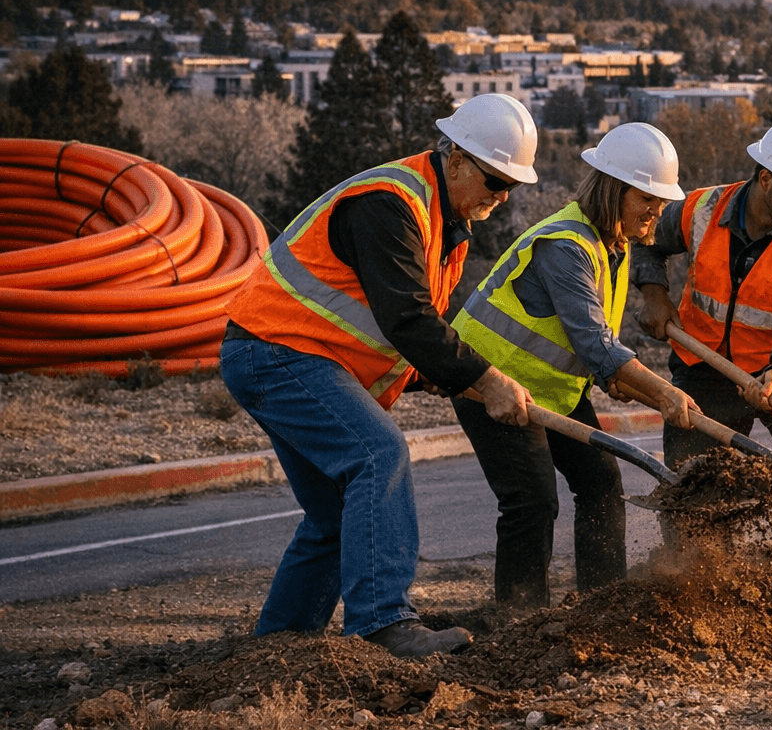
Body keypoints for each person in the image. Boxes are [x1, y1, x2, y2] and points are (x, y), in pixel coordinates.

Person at [220, 94, 538, 658]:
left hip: (295, 355)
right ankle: (382, 622)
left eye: (511, 186)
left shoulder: (443, 224)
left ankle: (279, 648)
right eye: (495, 180)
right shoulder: (390, 203)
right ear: (457, 159)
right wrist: (486, 380)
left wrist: (438, 376)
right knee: (378, 455)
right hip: (276, 351)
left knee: (335, 516)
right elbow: (407, 319)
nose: (501, 196)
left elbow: (386, 328)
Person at [449, 122, 697, 612]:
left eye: (661, 201)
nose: (657, 211)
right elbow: (597, 346)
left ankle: (603, 606)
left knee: (601, 481)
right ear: (614, 189)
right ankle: (520, 618)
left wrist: (634, 386)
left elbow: (598, 352)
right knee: (532, 500)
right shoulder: (565, 246)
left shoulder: (613, 244)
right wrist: (664, 392)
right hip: (488, 382)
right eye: (647, 198)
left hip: (550, 389)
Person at [632, 116, 772, 540]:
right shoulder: (701, 208)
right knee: (693, 488)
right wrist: (655, 295)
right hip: (704, 366)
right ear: (765, 179)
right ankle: (692, 568)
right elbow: (646, 239)